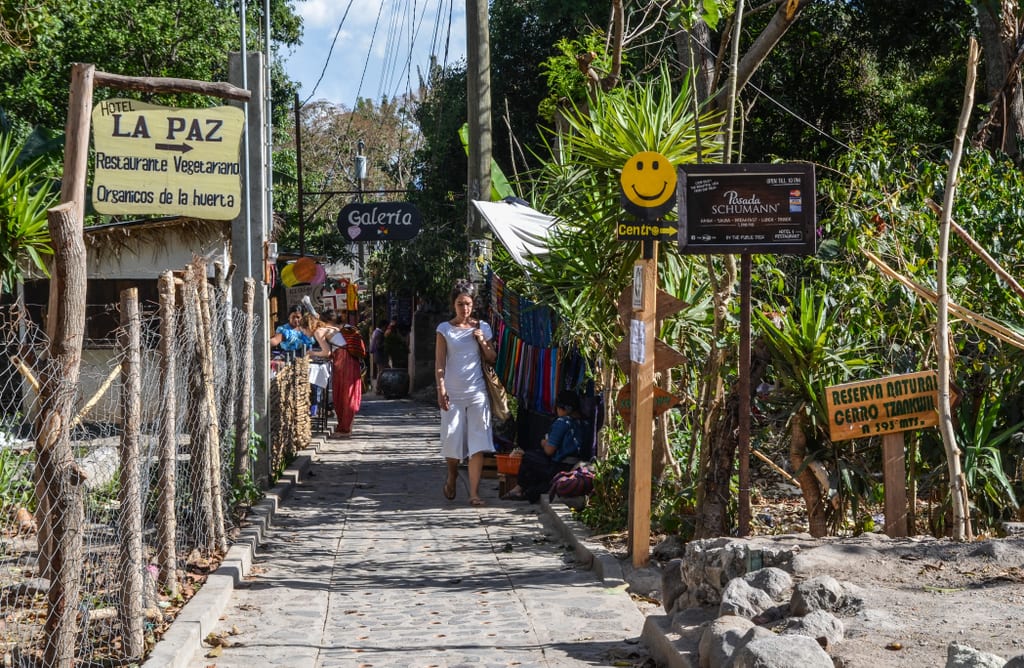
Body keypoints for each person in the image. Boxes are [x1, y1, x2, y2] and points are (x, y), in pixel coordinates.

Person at [435, 279, 497, 506]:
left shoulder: (481, 327)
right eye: (461, 304)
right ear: (454, 304)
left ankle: (474, 493)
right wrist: (441, 389)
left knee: (478, 442)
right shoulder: (444, 329)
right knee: (452, 440)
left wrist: (482, 341)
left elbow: (492, 358)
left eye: (468, 304)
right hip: (452, 393)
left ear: (474, 304)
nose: (465, 308)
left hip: (477, 392)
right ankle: (452, 475)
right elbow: (440, 363)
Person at [502, 389, 583, 503]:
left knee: (529, 457)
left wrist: (544, 443)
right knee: (534, 490)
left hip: (560, 467)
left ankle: (518, 488)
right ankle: (528, 490)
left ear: (562, 408)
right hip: (572, 467)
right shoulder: (583, 423)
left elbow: (549, 450)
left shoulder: (563, 422)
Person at [301, 311, 365, 438]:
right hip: (349, 359)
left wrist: (311, 353)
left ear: (308, 327)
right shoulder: (329, 328)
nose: (303, 333)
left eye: (303, 330)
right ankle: (346, 428)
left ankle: (344, 430)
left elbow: (327, 353)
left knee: (343, 393)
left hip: (343, 359)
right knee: (347, 392)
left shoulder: (318, 332)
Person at [368, 318, 391, 394]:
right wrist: (386, 343)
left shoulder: (376, 332)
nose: (386, 328)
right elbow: (378, 345)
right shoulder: (379, 334)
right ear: (383, 326)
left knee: (382, 371)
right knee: (382, 371)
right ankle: (378, 389)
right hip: (380, 356)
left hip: (377, 355)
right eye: (386, 326)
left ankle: (380, 389)